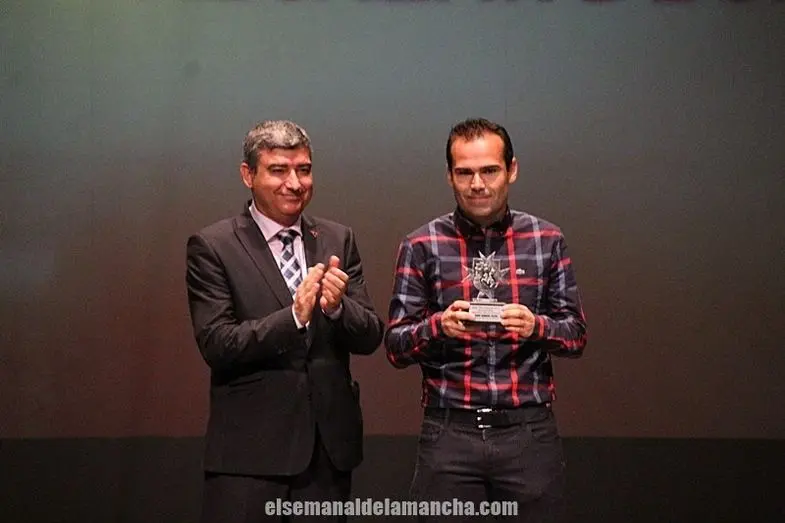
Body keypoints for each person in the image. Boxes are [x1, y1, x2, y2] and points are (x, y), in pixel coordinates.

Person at [385, 118, 587, 522]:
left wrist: (536, 327)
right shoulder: (422, 244)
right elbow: (395, 346)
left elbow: (576, 335)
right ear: (450, 175)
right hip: (450, 431)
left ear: (511, 169)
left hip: (527, 431)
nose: (477, 184)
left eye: (489, 170)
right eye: (465, 172)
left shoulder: (546, 240)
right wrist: (437, 326)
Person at [186, 120, 383, 522]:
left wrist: (337, 308)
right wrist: (293, 317)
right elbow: (217, 343)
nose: (294, 183)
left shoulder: (337, 239)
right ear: (248, 175)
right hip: (249, 457)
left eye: (304, 170)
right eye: (278, 170)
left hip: (326, 456)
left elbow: (370, 335)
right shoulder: (214, 246)